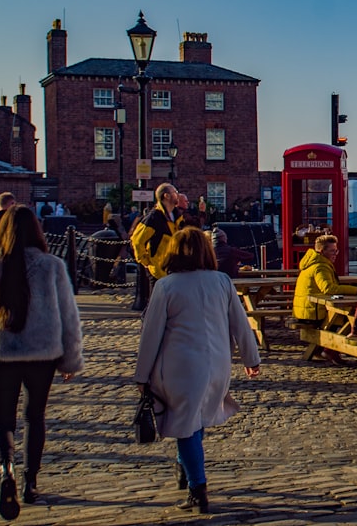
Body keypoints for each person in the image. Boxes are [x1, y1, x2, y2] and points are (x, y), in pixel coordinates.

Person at [133, 228, 260, 515]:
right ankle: (186, 469)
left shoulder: (167, 286)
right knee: (195, 421)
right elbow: (241, 324)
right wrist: (251, 359)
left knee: (186, 426)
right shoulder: (222, 281)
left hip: (180, 366)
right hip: (217, 363)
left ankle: (196, 488)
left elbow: (151, 335)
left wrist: (141, 376)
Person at [0, 206, 83, 518]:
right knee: (34, 417)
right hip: (43, 351)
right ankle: (30, 481)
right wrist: (71, 359)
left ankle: (5, 472)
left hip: (1, 350)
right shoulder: (51, 265)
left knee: (0, 421)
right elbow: (69, 316)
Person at [292, 234, 357, 324]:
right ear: (322, 252)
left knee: (349, 314)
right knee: (353, 315)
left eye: (336, 251)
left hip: (305, 312)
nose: (335, 254)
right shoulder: (320, 267)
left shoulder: (313, 262)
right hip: (313, 314)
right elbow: (329, 289)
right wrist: (356, 290)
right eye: (332, 251)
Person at [130, 183, 180, 282]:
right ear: (167, 196)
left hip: (173, 268)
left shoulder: (176, 215)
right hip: (158, 271)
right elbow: (137, 240)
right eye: (175, 192)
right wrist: (146, 261)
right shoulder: (153, 217)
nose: (177, 195)